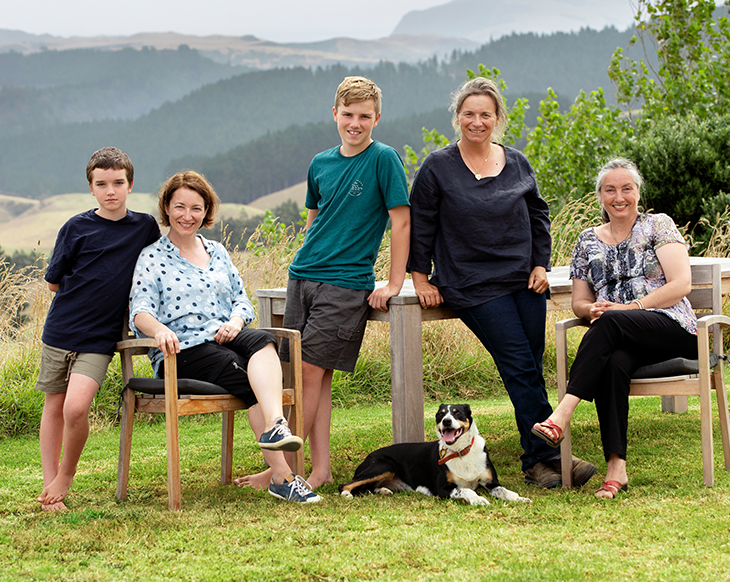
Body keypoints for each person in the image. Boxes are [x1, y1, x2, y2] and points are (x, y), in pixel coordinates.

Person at [408, 76, 596, 489]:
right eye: (469, 114)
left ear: (498, 119)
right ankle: (549, 455)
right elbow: (420, 225)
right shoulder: (438, 167)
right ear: (458, 117)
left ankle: (536, 461)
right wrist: (421, 279)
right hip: (471, 283)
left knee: (527, 364)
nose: (477, 121)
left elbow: (538, 215)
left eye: (485, 115)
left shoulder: (517, 161)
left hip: (523, 280)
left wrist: (541, 265)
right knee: (520, 365)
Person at [130, 170, 320, 503]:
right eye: (180, 207)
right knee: (241, 371)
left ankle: (276, 424)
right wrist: (159, 330)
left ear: (206, 212)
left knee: (262, 340)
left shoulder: (217, 251)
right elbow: (140, 311)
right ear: (166, 208)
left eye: (196, 208)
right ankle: (283, 477)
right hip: (183, 348)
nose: (188, 216)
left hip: (224, 333)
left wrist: (235, 320)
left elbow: (241, 299)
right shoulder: (152, 257)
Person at [532, 157, 697, 499]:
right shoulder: (587, 241)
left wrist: (628, 308)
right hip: (619, 335)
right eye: (610, 190)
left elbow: (681, 284)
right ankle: (616, 468)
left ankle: (562, 412)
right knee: (613, 362)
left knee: (610, 322)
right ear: (600, 196)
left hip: (671, 328)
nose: (619, 196)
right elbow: (579, 302)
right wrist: (589, 309)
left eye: (627, 188)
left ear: (638, 193)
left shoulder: (658, 226)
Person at [280, 76, 411, 490]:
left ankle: (284, 469)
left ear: (377, 118)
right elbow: (314, 220)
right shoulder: (320, 163)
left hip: (345, 282)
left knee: (307, 371)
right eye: (349, 115)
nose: (356, 123)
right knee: (310, 378)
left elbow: (402, 222)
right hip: (302, 276)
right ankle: (318, 469)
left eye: (365, 117)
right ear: (335, 114)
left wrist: (391, 283)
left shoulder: (384, 159)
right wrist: (304, 258)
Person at [36, 146, 161, 511]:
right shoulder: (75, 227)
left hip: (100, 338)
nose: (111, 190)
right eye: (102, 183)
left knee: (76, 408)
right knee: (54, 405)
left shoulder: (144, 228)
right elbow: (54, 283)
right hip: (60, 331)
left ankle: (66, 475)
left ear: (130, 184)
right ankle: (49, 488)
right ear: (91, 187)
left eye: (118, 183)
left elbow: (154, 269)